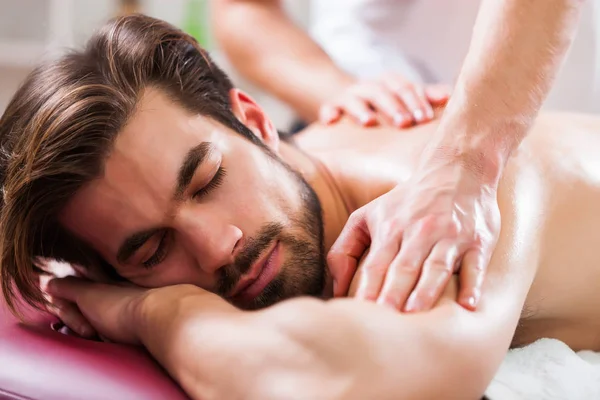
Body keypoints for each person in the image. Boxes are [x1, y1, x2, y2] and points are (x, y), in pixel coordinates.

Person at [2, 15, 600, 399]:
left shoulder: (455, 206)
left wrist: (150, 311)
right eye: (154, 249)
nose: (217, 247)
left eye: (208, 181)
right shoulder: (294, 164)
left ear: (257, 123)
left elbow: (324, 385)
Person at [216, 0, 591, 312]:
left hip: (534, 102)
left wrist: (465, 162)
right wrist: (337, 91)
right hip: (351, 100)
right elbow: (242, 7)